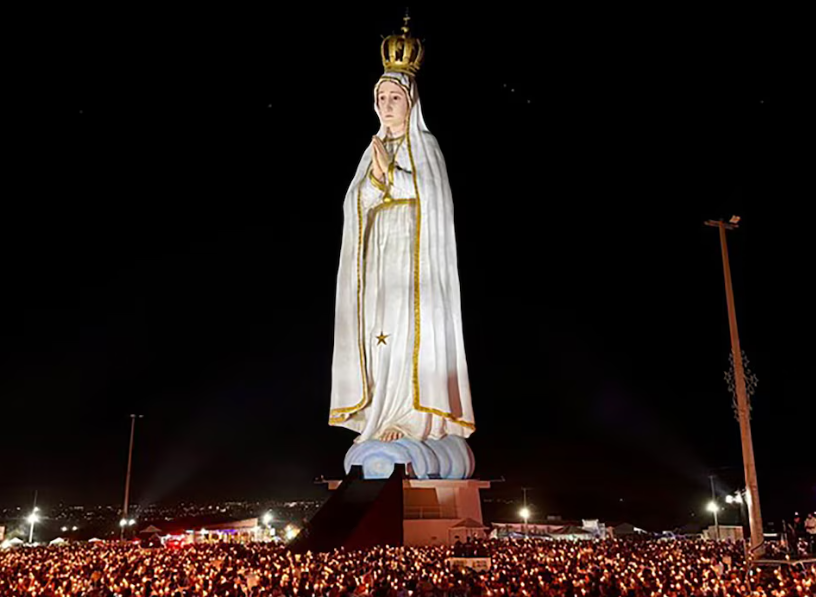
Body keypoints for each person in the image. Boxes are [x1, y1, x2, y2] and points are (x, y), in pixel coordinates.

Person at [330, 17, 476, 444]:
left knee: (408, 332)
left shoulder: (425, 146)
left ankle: (413, 417)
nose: (388, 104)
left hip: (414, 264)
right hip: (380, 261)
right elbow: (353, 204)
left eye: (396, 96)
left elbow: (433, 200)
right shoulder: (371, 149)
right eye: (382, 97)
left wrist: (390, 176)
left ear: (411, 101)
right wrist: (375, 181)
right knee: (380, 334)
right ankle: (380, 411)